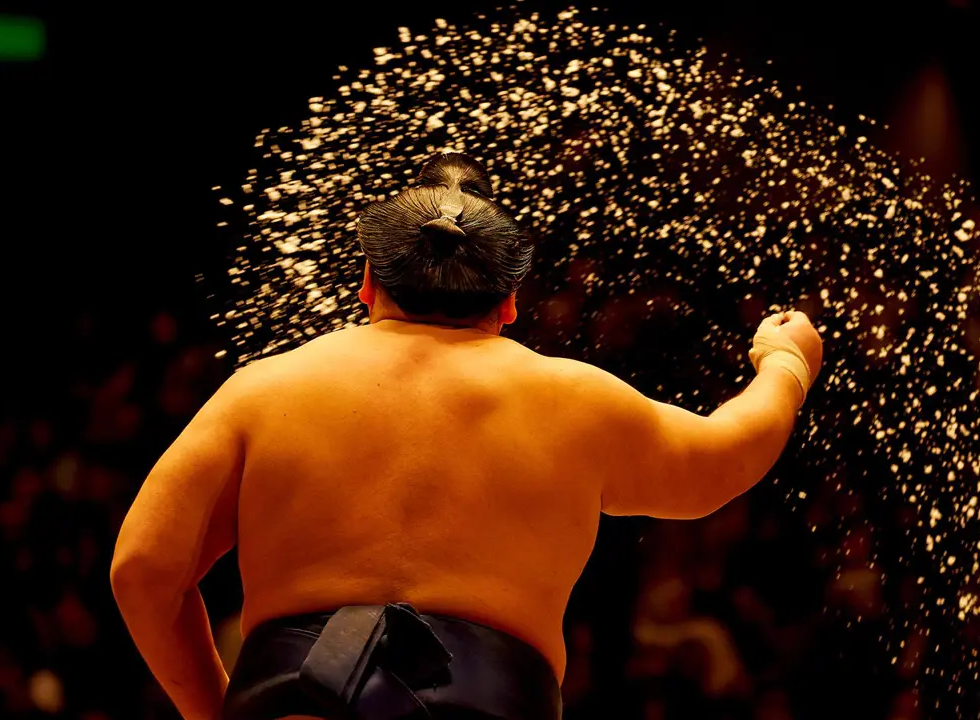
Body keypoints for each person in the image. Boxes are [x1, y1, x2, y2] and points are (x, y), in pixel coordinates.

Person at [110, 153, 823, 720]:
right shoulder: (572, 399)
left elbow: (143, 568)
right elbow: (723, 459)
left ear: (366, 282)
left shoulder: (263, 390)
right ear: (510, 301)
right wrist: (785, 364)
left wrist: (216, 710)